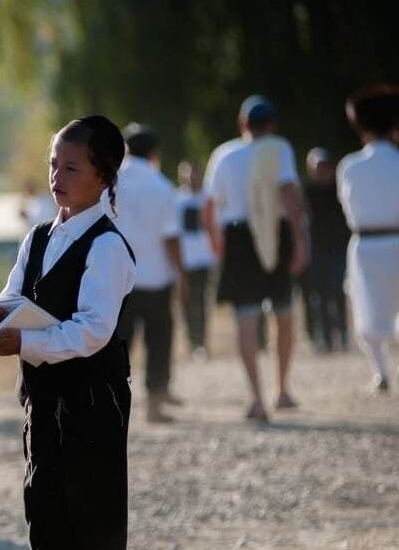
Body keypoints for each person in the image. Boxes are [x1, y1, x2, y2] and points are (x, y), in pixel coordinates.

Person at [0, 116, 135, 550]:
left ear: (103, 176)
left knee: (92, 500)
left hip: (94, 394)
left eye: (72, 167)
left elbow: (93, 331)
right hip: (44, 396)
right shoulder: (39, 236)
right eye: (53, 165)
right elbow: (17, 297)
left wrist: (24, 343)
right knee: (43, 500)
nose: (57, 177)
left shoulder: (107, 246)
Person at [205, 96, 307, 422]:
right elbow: (288, 195)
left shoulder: (224, 153)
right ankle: (282, 389)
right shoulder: (279, 148)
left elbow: (209, 207)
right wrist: (300, 240)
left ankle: (256, 398)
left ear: (242, 124)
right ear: (272, 125)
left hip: (236, 235)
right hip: (274, 232)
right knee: (283, 313)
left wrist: (216, 242)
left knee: (245, 318)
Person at [113, 123, 185, 423]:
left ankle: (112, 404)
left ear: (126, 150)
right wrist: (181, 276)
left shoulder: (110, 183)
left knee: (118, 344)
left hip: (118, 278)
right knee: (158, 340)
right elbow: (171, 238)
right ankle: (154, 404)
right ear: (154, 153)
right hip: (155, 277)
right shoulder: (163, 186)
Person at [336, 85, 399, 392]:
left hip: (366, 244)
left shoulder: (349, 166)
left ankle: (380, 371)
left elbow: (347, 207)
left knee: (368, 309)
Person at [303, 147, 350, 352]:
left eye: (325, 167)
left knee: (337, 291)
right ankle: (325, 337)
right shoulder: (307, 193)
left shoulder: (340, 190)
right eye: (317, 168)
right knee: (319, 295)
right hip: (316, 250)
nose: (322, 171)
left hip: (339, 248)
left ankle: (343, 333)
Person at [175, 159, 216, 359]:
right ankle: (192, 341)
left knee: (200, 301)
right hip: (184, 260)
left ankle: (201, 342)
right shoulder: (177, 199)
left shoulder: (208, 198)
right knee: (186, 303)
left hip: (203, 259)